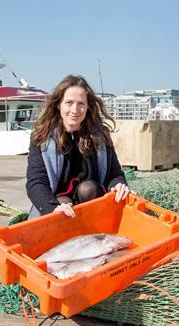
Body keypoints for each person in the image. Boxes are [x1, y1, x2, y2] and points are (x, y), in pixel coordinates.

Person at [26, 75, 130, 219]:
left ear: (88, 107)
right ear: (58, 104)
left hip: (92, 202)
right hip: (57, 204)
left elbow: (114, 173)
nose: (75, 110)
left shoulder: (100, 136)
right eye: (69, 102)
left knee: (88, 188)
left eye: (81, 103)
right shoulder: (42, 138)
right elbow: (36, 182)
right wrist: (52, 208)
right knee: (63, 202)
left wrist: (119, 184)